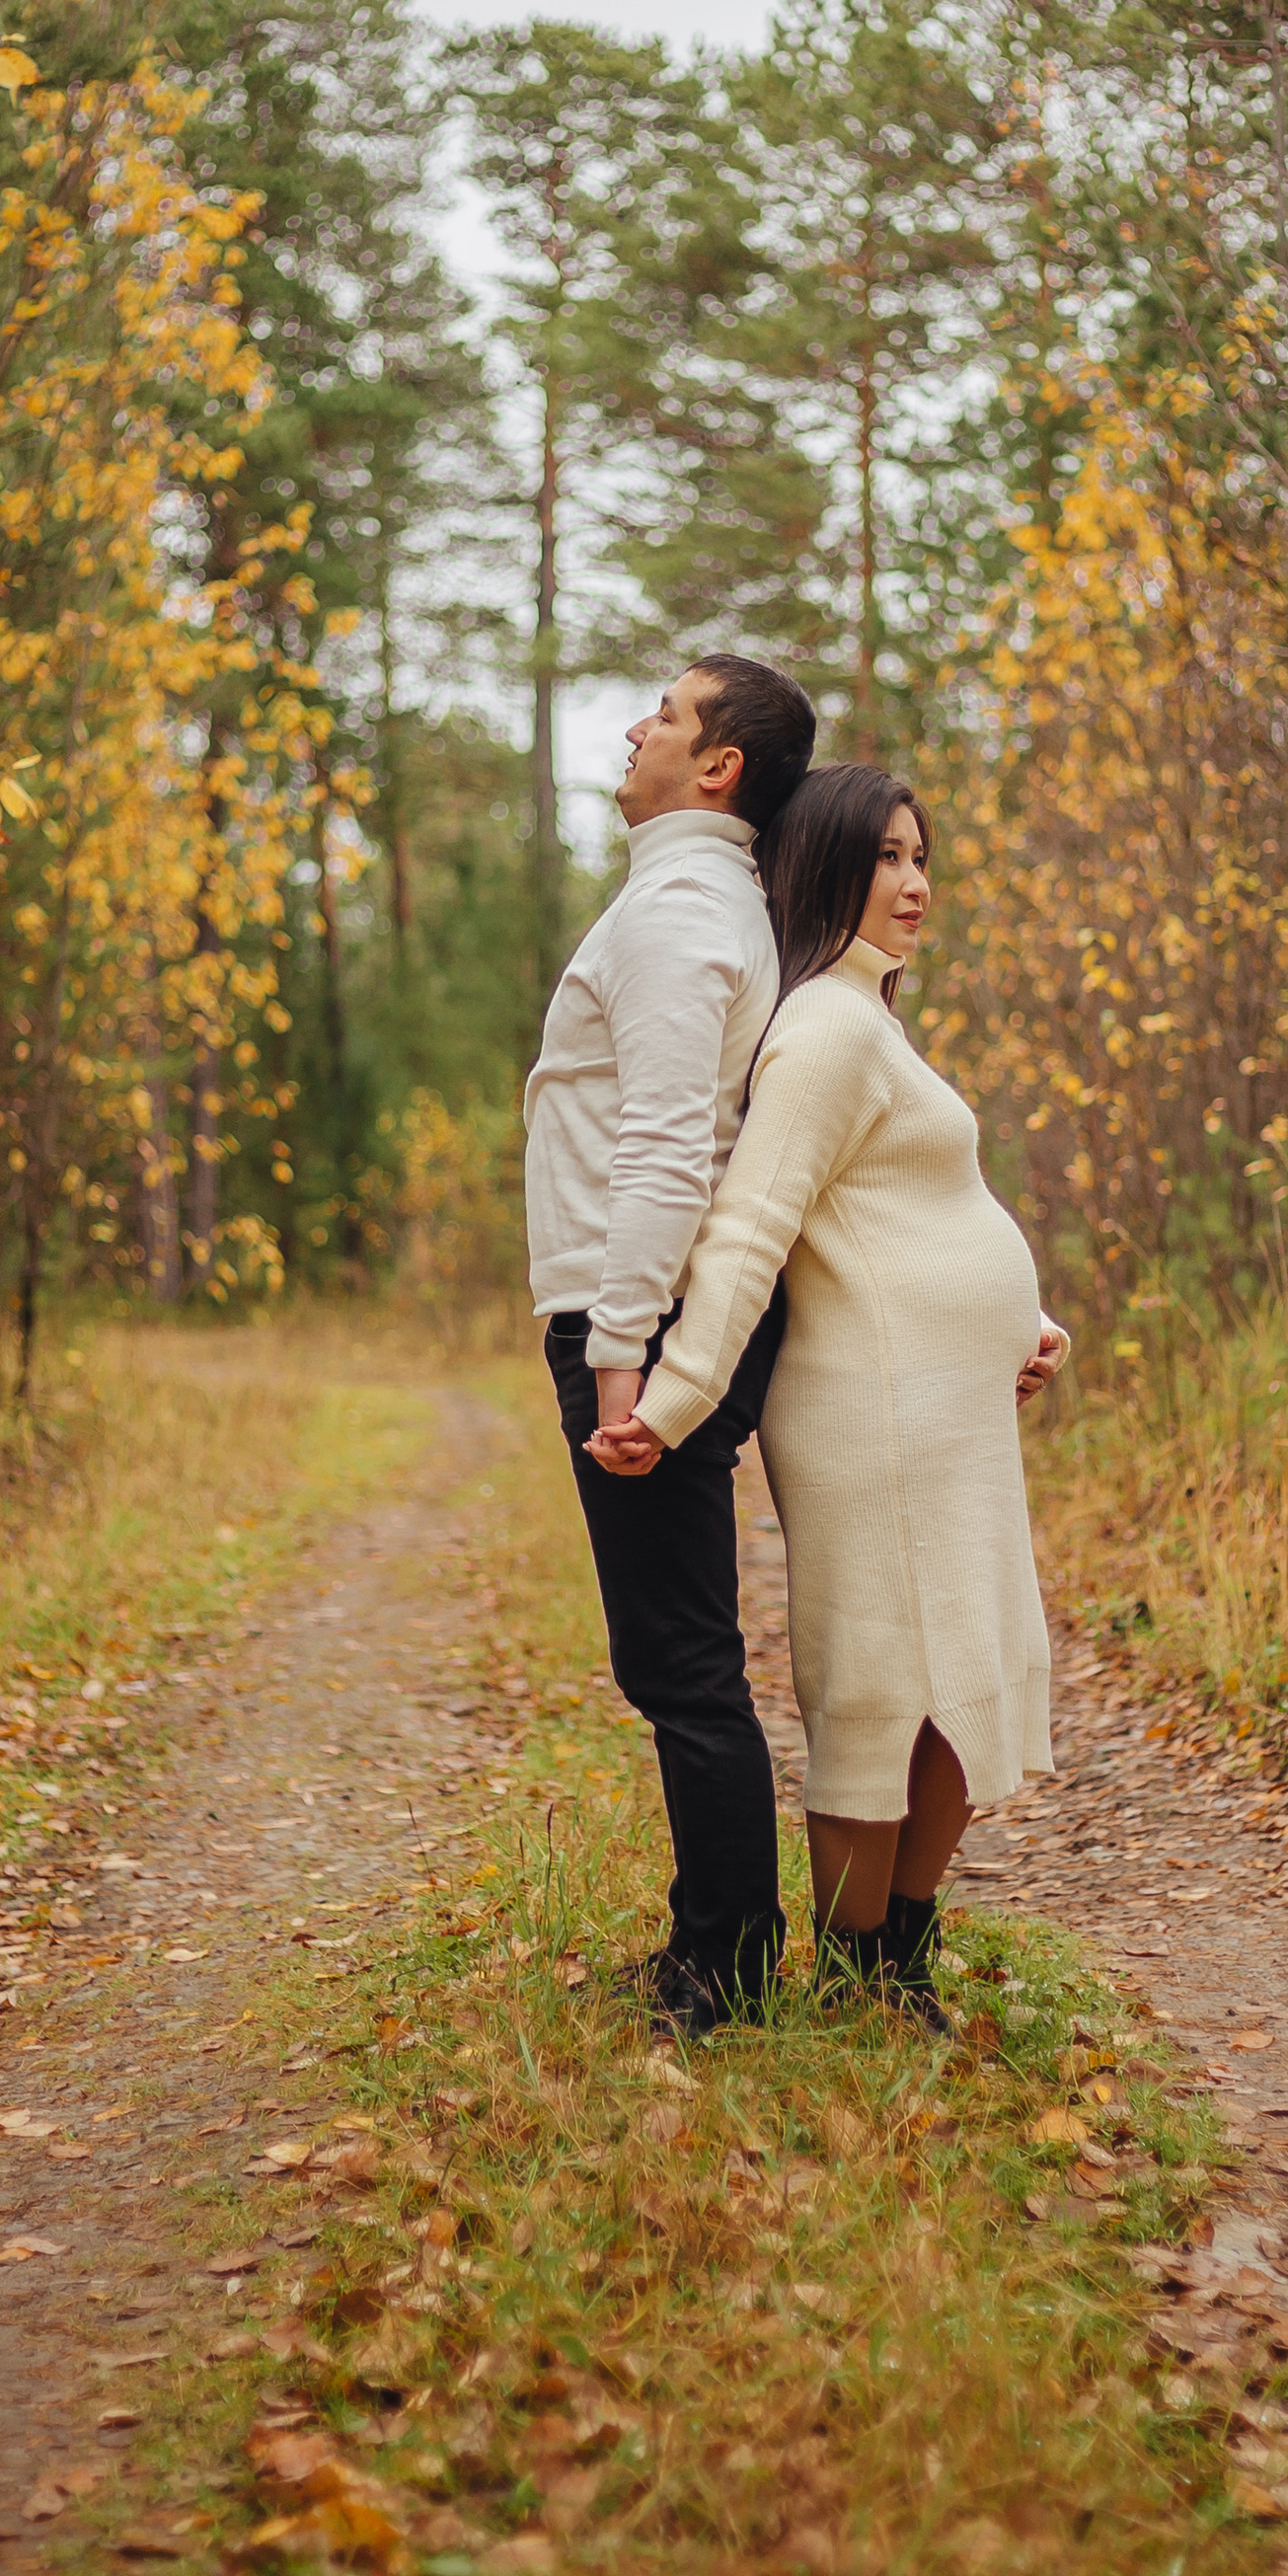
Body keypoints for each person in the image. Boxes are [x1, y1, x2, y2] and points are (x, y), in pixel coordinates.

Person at [589, 762, 1068, 2027]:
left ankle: (895, 1961)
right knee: (881, 1688)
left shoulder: (869, 1019)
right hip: (878, 1415)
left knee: (958, 1672)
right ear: (823, 870)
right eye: (887, 859)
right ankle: (863, 1973)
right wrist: (675, 1398)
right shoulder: (824, 1025)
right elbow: (748, 1231)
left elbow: (916, 1210)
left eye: (923, 859)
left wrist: (1022, 1321)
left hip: (944, 1409)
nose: (914, 885)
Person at [525, 651, 817, 2036]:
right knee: (684, 1649)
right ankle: (727, 1940)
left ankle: (728, 1968)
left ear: (718, 770)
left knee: (681, 1659)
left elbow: (662, 1148)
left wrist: (620, 1353)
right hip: (643, 1307)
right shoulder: (701, 904)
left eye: (669, 712)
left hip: (629, 1309)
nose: (639, 724)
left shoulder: (683, 911)